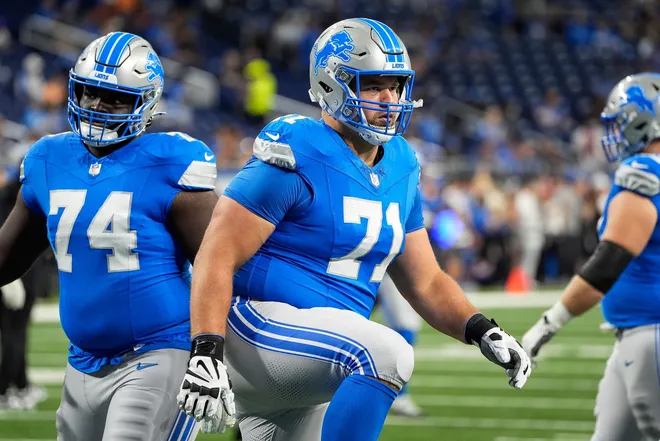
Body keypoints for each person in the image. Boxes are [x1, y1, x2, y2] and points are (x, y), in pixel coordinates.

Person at [177, 18, 531, 441]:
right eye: (373, 85)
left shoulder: (402, 163)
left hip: (314, 359)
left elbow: (427, 281)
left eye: (396, 85)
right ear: (332, 85)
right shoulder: (298, 147)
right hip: (255, 333)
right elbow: (217, 253)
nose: (389, 98)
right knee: (386, 353)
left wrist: (480, 329)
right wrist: (206, 351)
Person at [0, 31, 219, 440]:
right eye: (88, 92)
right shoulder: (49, 157)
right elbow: (6, 258)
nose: (97, 106)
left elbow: (221, 265)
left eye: (115, 98)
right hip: (81, 361)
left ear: (147, 102)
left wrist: (212, 350)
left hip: (159, 351)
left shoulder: (171, 161)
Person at [522, 73, 660, 441]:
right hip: (634, 333)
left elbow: (605, 268)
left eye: (621, 121)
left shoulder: (643, 177)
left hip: (651, 332)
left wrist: (548, 324)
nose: (615, 132)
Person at [0, 169, 51, 409]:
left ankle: (19, 384)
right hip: (19, 275)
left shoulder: (21, 194)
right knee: (14, 333)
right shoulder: (26, 194)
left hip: (18, 273)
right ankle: (7, 387)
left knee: (14, 332)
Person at [377, 274, 424, 417]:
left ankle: (394, 394)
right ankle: (398, 396)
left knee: (408, 328)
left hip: (402, 271)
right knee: (404, 330)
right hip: (390, 270)